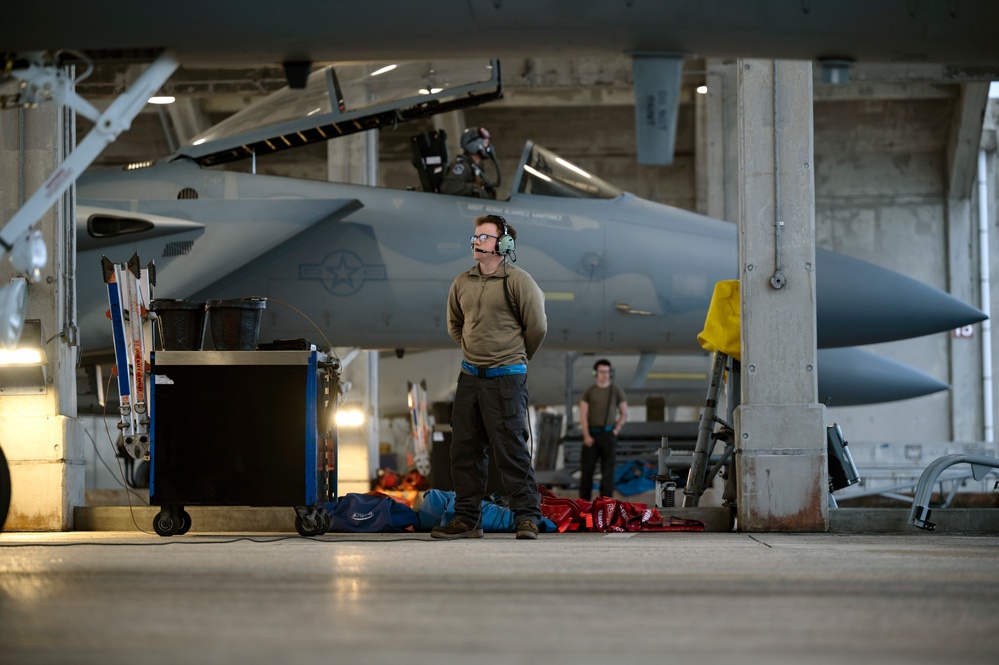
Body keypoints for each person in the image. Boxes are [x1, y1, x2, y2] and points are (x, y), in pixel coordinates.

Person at [432, 214, 547, 540]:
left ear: (504, 243)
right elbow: (456, 326)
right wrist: (476, 353)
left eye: (483, 237)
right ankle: (467, 520)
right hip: (470, 378)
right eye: (475, 236)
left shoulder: (519, 281)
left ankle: (527, 517)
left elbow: (537, 327)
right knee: (464, 451)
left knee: (511, 450)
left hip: (506, 380)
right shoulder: (462, 282)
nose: (475, 242)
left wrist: (514, 359)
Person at [578, 359, 628, 501]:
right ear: (596, 373)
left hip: (608, 435)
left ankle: (606, 505)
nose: (605, 375)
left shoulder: (616, 390)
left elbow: (624, 413)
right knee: (587, 472)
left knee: (608, 473)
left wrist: (616, 429)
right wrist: (586, 435)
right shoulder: (589, 391)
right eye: (602, 372)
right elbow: (583, 414)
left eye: (607, 372)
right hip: (592, 435)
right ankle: (584, 505)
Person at [440, 127, 497, 199]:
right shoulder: (463, 166)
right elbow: (447, 186)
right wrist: (473, 188)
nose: (489, 147)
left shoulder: (477, 166)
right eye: (485, 143)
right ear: (474, 145)